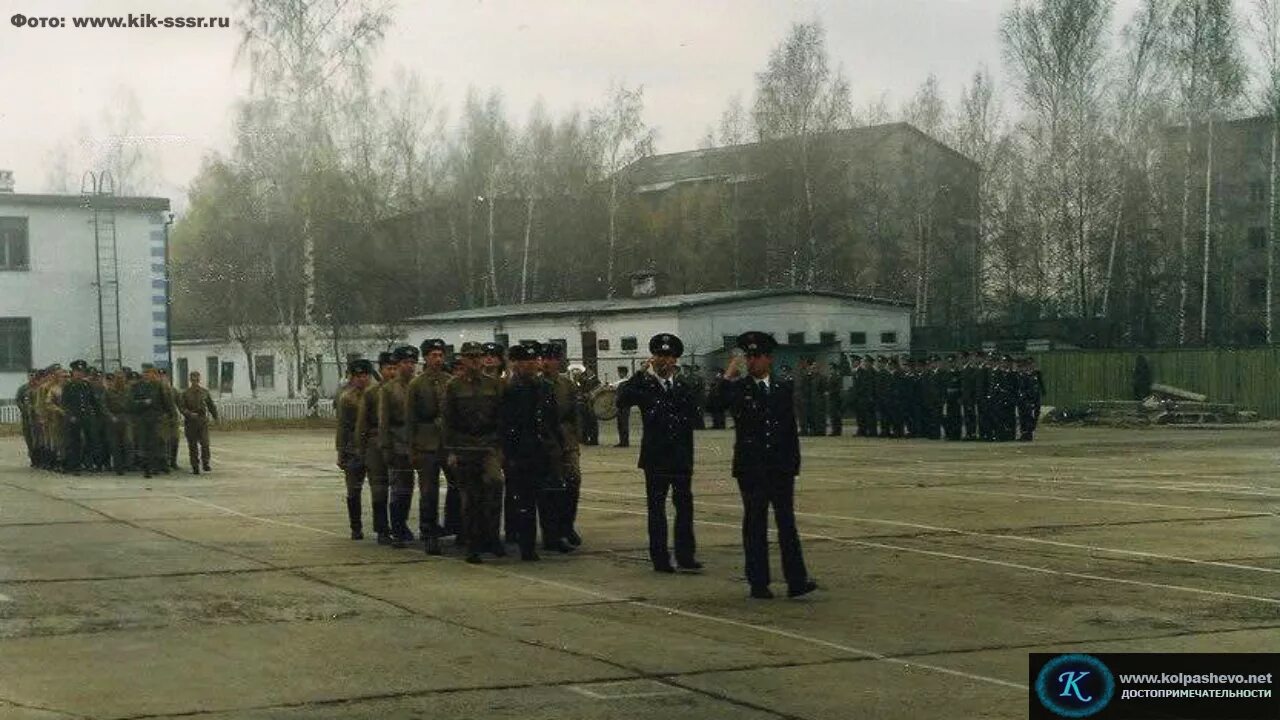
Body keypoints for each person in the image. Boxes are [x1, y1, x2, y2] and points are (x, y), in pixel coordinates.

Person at [707, 332, 818, 600]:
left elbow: (789, 430)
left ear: (769, 358)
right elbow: (713, 405)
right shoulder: (738, 388)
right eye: (749, 356)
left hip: (780, 467)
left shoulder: (782, 388)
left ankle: (796, 580)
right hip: (751, 467)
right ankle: (759, 582)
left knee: (787, 524)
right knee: (755, 523)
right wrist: (728, 374)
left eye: (757, 356)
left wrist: (793, 464)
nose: (752, 361)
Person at [617, 333, 702, 574]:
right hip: (656, 456)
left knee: (684, 507)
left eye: (669, 356)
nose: (664, 361)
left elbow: (696, 415)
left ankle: (686, 555)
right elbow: (622, 400)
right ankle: (660, 557)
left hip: (681, 455)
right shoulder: (644, 385)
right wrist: (641, 374)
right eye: (660, 356)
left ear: (676, 360)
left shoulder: (684, 386)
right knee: (657, 509)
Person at [499, 343, 565, 561]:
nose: (531, 365)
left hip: (543, 450)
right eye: (526, 361)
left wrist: (558, 447)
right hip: (521, 453)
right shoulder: (509, 390)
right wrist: (508, 455)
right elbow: (505, 424)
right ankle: (527, 546)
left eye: (533, 360)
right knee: (525, 502)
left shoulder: (544, 387)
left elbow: (553, 421)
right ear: (516, 364)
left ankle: (552, 538)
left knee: (548, 497)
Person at [443, 342, 505, 564]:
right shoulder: (454, 386)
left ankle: (493, 537)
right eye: (471, 357)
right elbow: (448, 420)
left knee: (495, 485)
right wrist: (451, 451)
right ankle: (473, 545)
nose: (476, 361)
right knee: (470, 497)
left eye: (478, 357)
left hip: (488, 446)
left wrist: (500, 447)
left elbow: (500, 417)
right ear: (463, 360)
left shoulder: (493, 385)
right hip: (464, 447)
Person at [408, 339, 452, 555]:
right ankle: (429, 531)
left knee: (457, 485)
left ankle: (455, 526)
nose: (438, 359)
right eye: (433, 355)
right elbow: (410, 419)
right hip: (425, 443)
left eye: (440, 355)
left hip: (447, 442)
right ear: (425, 358)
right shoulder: (417, 385)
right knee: (429, 491)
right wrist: (412, 448)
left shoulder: (450, 381)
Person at [542, 343, 583, 547]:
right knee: (551, 488)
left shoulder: (566, 385)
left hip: (566, 441)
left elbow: (574, 416)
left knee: (573, 482)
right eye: (545, 359)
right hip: (546, 443)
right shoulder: (537, 384)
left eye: (552, 359)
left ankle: (567, 525)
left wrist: (575, 442)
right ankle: (553, 532)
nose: (548, 362)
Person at [381, 345, 420, 548]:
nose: (410, 366)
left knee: (411, 486)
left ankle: (403, 525)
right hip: (397, 442)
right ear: (397, 365)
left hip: (417, 442)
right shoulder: (388, 389)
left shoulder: (418, 385)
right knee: (399, 488)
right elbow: (384, 421)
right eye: (405, 362)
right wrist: (386, 447)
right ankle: (397, 527)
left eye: (413, 362)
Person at [355, 352, 395, 544]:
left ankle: (397, 525)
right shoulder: (372, 393)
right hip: (375, 444)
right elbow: (361, 425)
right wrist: (361, 450)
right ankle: (382, 529)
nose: (393, 372)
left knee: (398, 486)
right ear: (381, 370)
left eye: (395, 367)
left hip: (397, 444)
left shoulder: (406, 389)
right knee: (379, 488)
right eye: (389, 368)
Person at [336, 359, 375, 539]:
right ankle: (356, 526)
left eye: (365, 375)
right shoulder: (346, 398)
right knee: (353, 489)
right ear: (351, 378)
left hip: (373, 447)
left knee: (379, 488)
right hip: (353, 449)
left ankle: (381, 526)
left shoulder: (377, 394)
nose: (361, 379)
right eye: (357, 376)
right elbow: (342, 427)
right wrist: (341, 452)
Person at [129, 364, 171, 478]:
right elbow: (131, 403)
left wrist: (168, 414)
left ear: (153, 374)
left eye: (149, 372)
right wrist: (143, 403)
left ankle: (154, 467)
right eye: (144, 372)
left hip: (156, 419)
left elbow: (165, 402)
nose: (146, 375)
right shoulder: (137, 387)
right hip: (142, 419)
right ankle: (147, 468)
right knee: (144, 444)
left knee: (155, 443)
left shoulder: (158, 386)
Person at [179, 371, 218, 474]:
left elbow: (211, 405)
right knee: (192, 446)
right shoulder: (185, 393)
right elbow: (182, 408)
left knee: (205, 443)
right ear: (190, 380)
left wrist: (216, 417)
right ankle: (195, 466)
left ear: (199, 379)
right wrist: (189, 414)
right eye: (193, 379)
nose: (195, 381)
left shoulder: (204, 392)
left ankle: (205, 462)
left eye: (197, 379)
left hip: (202, 421)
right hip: (191, 422)